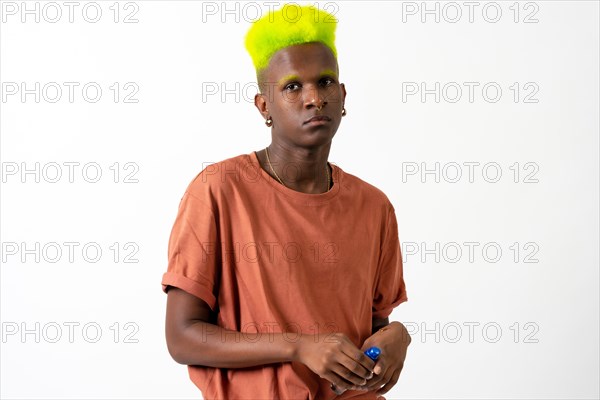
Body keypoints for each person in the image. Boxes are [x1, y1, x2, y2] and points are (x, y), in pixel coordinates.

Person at [161, 4, 410, 399]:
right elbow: (182, 337)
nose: (314, 98)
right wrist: (298, 345)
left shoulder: (374, 207)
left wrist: (397, 336)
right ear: (264, 106)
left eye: (326, 82)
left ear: (342, 95)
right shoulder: (218, 191)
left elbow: (375, 324)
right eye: (293, 87)